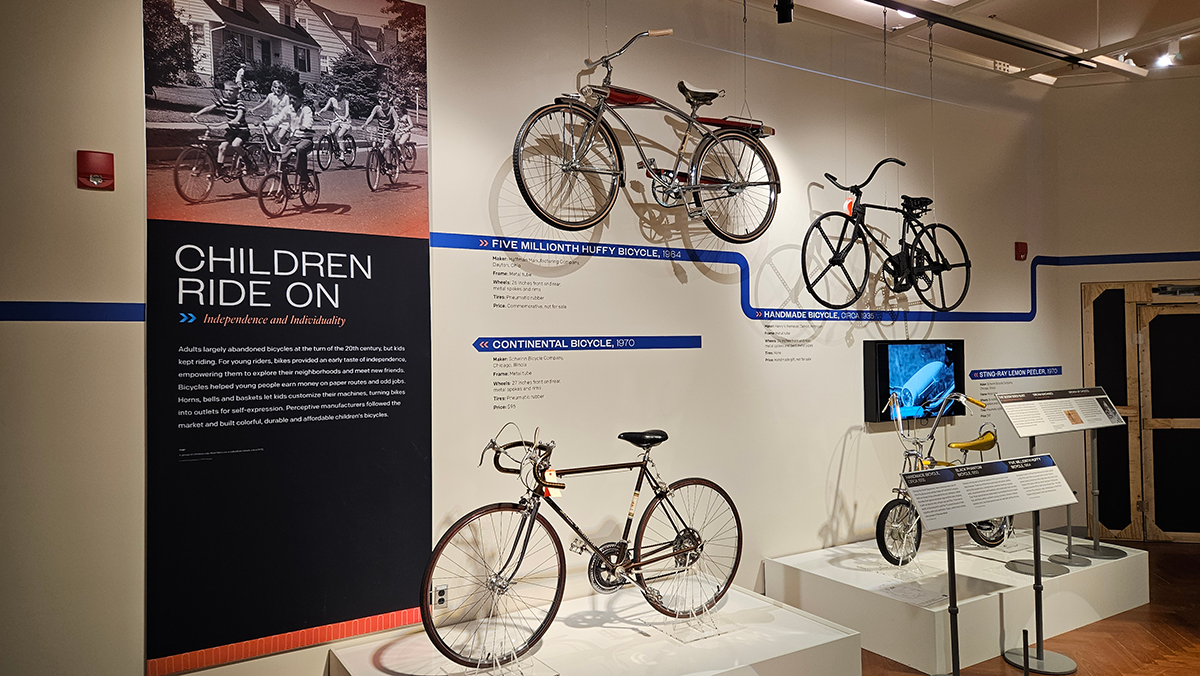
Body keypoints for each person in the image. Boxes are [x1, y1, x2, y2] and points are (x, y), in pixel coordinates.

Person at [192, 80, 248, 175]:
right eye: (226, 90)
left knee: (235, 144)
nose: (228, 92)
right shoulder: (224, 101)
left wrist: (235, 120)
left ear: (236, 92)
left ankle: (248, 161)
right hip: (232, 131)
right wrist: (197, 113)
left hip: (242, 131)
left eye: (231, 91)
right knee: (222, 147)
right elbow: (211, 107)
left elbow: (240, 113)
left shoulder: (239, 103)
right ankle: (219, 170)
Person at [285, 91, 317, 187]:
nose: (292, 101)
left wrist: (305, 126)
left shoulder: (306, 110)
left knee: (300, 148)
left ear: (301, 100)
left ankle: (304, 176)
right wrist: (267, 123)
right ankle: (284, 187)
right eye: (291, 98)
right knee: (281, 159)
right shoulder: (288, 109)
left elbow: (309, 120)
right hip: (293, 138)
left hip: (305, 139)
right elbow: (279, 118)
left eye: (294, 99)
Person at [317, 86, 352, 161]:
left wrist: (344, 118)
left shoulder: (345, 101)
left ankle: (342, 154)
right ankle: (333, 148)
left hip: (345, 121)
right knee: (330, 133)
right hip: (336, 120)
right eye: (335, 93)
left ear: (341, 93)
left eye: (337, 93)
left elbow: (347, 112)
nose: (336, 94)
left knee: (339, 135)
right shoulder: (332, 100)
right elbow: (325, 108)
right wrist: (319, 112)